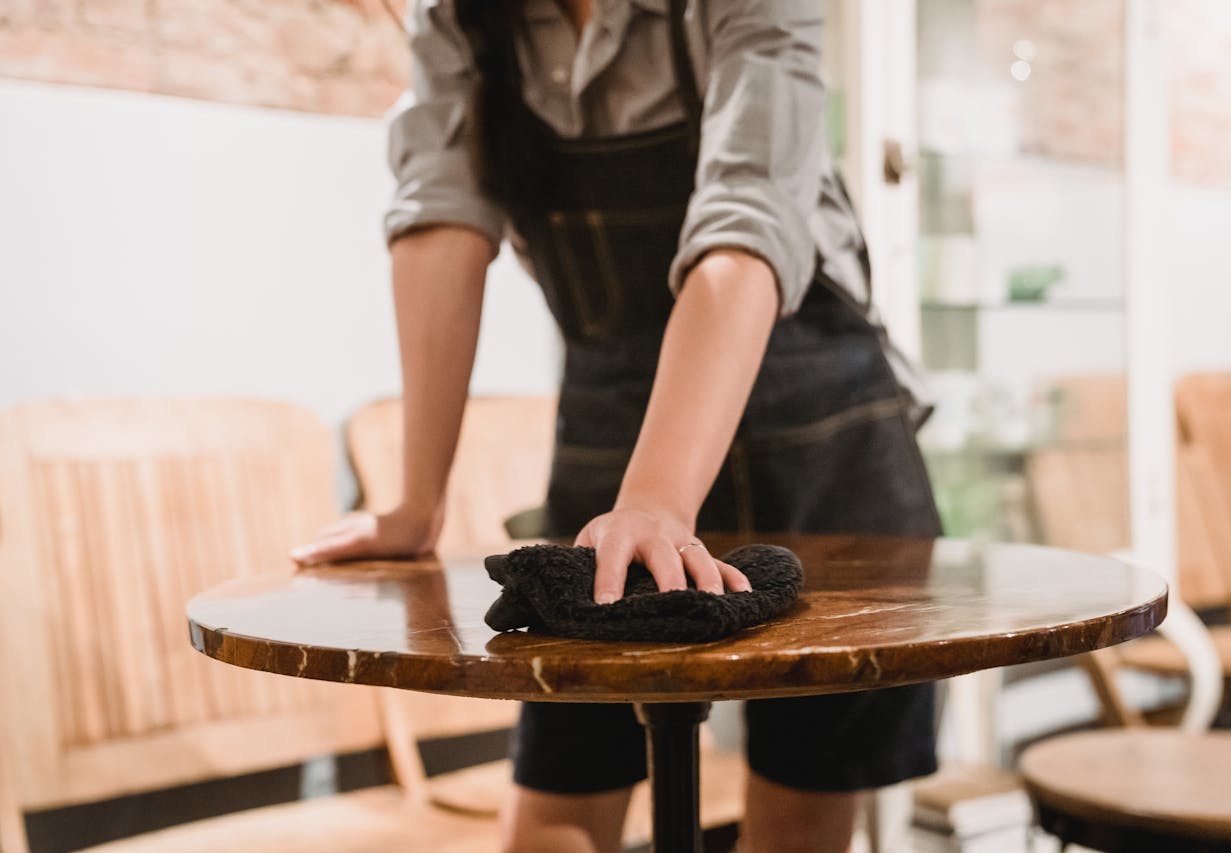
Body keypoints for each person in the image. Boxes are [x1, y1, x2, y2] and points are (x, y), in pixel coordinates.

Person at [292, 1, 942, 851]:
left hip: (820, 433)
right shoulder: (461, 16)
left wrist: (657, 500)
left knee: (797, 810)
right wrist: (417, 501)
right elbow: (442, 215)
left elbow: (744, 228)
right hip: (611, 426)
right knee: (555, 808)